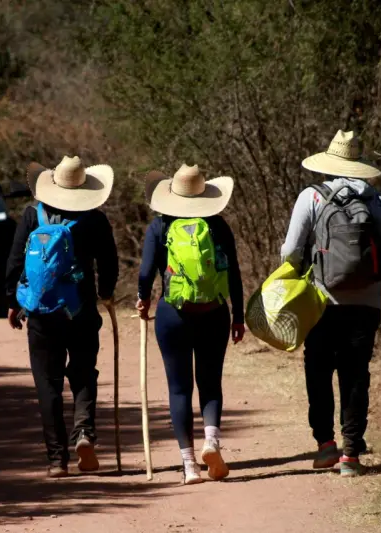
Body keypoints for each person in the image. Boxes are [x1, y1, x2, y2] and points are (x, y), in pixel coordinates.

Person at [281, 130, 381, 477]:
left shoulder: (311, 197)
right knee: (356, 375)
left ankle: (325, 446)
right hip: (366, 304)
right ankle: (351, 454)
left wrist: (295, 279)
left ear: (328, 164)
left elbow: (290, 251)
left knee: (318, 371)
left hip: (320, 301)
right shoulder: (378, 202)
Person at [5, 155, 119, 478]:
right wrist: (106, 292)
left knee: (47, 383)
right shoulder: (94, 220)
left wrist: (13, 302)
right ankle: (84, 432)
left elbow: (15, 262)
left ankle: (57, 460)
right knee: (83, 372)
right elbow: (108, 262)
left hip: (40, 313)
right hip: (80, 309)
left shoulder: (31, 216)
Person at [136, 163, 245, 485]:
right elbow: (234, 274)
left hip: (173, 315)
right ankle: (212, 442)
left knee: (179, 388)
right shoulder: (218, 226)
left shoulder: (159, 226)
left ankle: (188, 465)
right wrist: (237, 316)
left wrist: (142, 299)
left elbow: (145, 273)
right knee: (210, 383)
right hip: (214, 312)